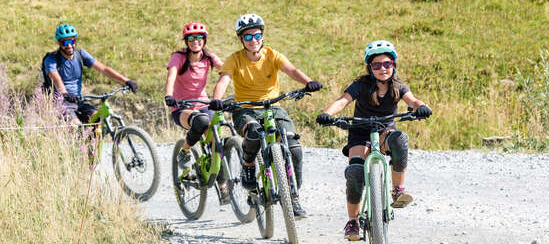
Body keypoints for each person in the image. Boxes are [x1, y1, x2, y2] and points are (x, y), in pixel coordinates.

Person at [315, 40, 432, 240]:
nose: (382, 69)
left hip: (384, 131)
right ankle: (353, 221)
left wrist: (421, 107)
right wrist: (327, 113)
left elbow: (412, 101)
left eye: (387, 64)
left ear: (393, 65)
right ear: (370, 68)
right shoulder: (361, 85)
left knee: (400, 140)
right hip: (360, 134)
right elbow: (343, 101)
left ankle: (397, 191)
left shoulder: (398, 86)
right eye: (376, 65)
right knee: (355, 172)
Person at [208, 13, 322, 219]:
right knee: (252, 132)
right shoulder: (235, 59)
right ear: (241, 40)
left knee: (293, 147)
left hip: (272, 107)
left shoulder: (272, 55)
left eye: (257, 35)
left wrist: (308, 82)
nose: (254, 40)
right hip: (245, 108)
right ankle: (248, 166)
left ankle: (293, 196)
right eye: (248, 37)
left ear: (263, 35)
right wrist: (217, 100)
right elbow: (223, 80)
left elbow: (291, 70)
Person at [164, 22, 228, 201]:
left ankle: (223, 186)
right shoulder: (179, 57)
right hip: (181, 107)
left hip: (203, 104)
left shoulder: (208, 57)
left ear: (204, 40)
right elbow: (171, 76)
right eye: (191, 38)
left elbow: (226, 70)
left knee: (217, 141)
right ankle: (185, 151)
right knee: (201, 122)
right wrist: (169, 95)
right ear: (186, 41)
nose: (195, 41)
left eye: (199, 38)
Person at [44, 24, 138, 125]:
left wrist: (126, 80)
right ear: (59, 43)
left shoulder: (80, 54)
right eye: (65, 42)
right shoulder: (52, 59)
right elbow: (55, 77)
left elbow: (103, 69)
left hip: (79, 100)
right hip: (62, 102)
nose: (69, 46)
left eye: (72, 41)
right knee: (76, 126)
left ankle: (95, 140)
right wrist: (64, 93)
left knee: (98, 119)